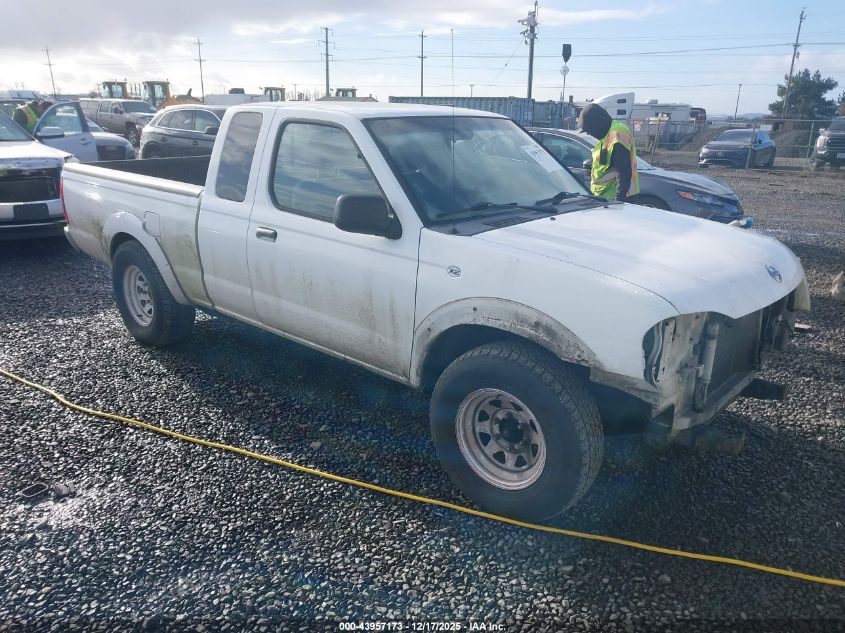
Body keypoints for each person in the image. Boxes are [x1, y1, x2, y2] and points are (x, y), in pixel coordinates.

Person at [577, 103, 639, 202]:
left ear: (597, 123)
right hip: (603, 198)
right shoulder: (607, 135)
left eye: (589, 129)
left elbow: (623, 172)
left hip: (615, 200)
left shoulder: (617, 133)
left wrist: (618, 201)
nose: (589, 133)